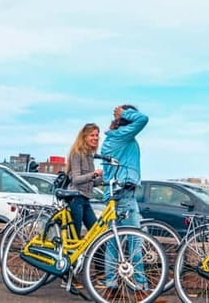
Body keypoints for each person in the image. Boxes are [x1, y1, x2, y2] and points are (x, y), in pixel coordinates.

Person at [99, 104, 149, 298]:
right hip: (125, 194)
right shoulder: (123, 136)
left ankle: (111, 286)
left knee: (113, 241)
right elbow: (143, 119)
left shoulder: (111, 139)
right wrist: (124, 113)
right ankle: (140, 289)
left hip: (111, 194)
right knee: (135, 240)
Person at [66, 123, 103, 236]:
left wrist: (103, 178)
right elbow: (76, 179)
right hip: (76, 198)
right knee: (74, 235)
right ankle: (68, 254)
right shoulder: (77, 154)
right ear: (84, 137)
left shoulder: (89, 155)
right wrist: (93, 174)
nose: (95, 138)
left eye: (97, 135)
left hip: (85, 199)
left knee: (95, 232)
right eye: (92, 135)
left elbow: (91, 182)